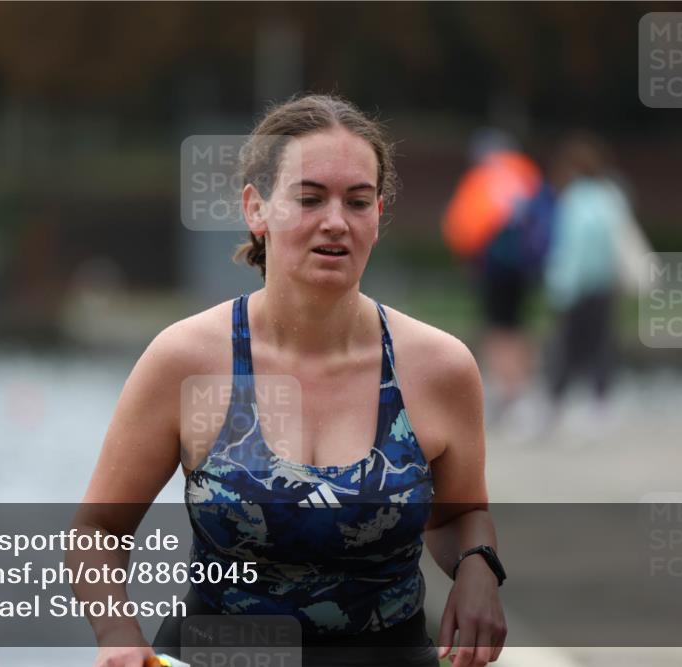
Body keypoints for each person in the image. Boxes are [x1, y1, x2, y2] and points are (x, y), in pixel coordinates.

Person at [75, 94, 506, 667]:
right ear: (257, 209)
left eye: (357, 201)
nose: (336, 221)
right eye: (309, 198)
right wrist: (118, 640)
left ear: (378, 215)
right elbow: (97, 532)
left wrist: (478, 566)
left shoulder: (438, 367)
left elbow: (459, 514)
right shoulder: (188, 360)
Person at [542, 133, 651, 430]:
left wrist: (562, 286)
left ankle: (557, 404)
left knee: (566, 344)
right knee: (602, 343)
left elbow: (573, 248)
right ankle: (599, 404)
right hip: (605, 284)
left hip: (578, 286)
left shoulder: (575, 199)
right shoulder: (612, 194)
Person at [442, 129, 550, 421]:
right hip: (525, 268)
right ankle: (524, 390)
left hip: (492, 269)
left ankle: (509, 394)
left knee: (497, 330)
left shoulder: (481, 178)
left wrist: (467, 259)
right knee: (519, 326)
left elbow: (460, 226)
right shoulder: (527, 174)